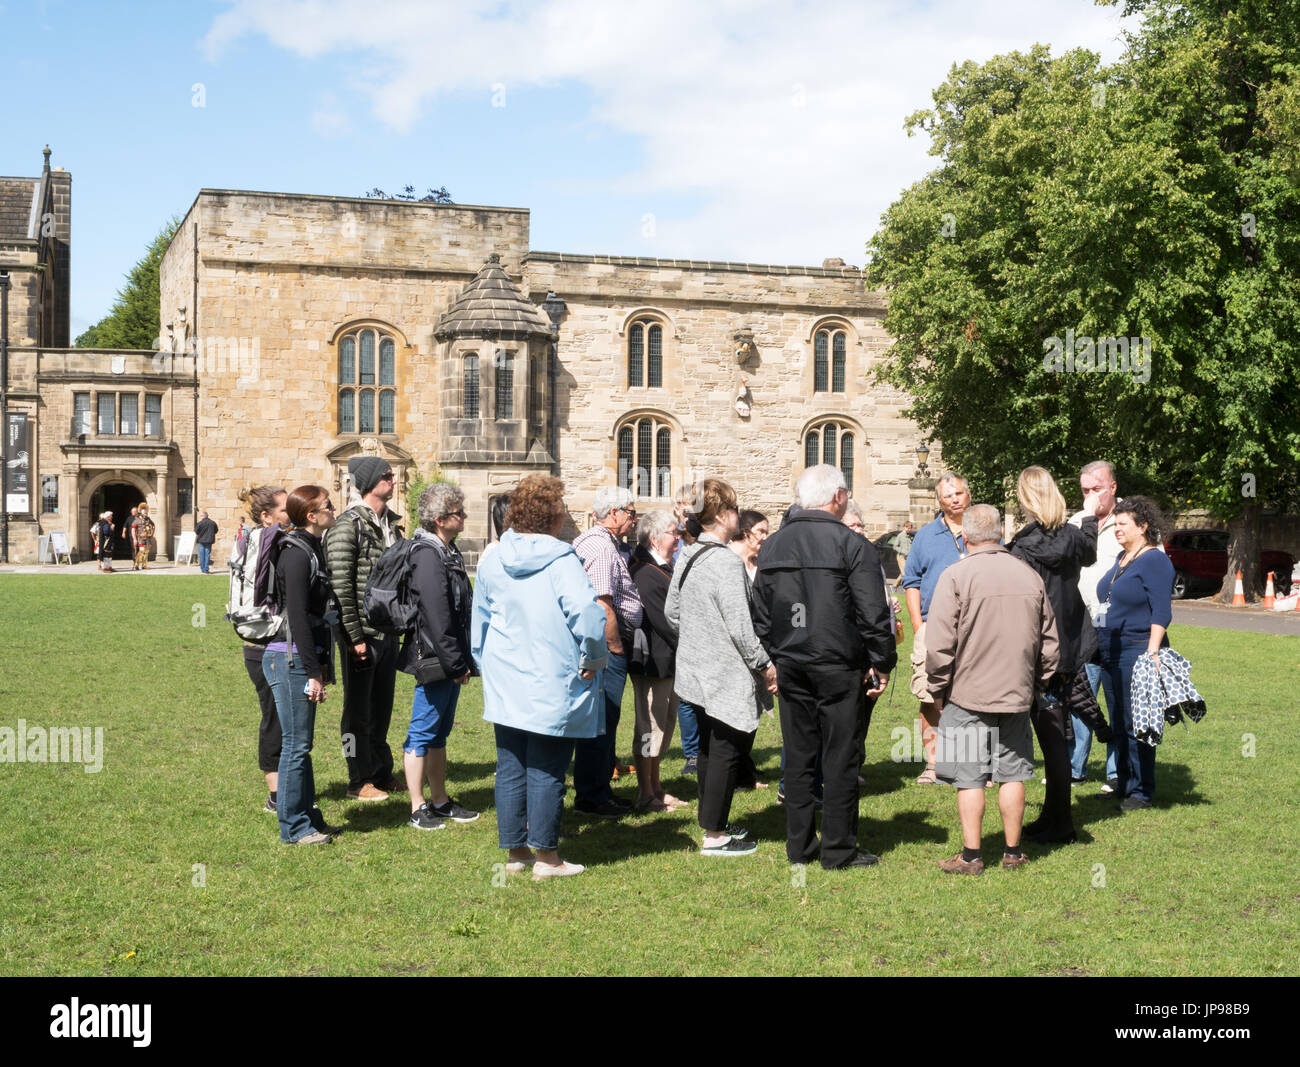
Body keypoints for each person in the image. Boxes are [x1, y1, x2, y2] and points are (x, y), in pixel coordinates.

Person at [752, 466, 896, 869]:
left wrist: (774, 656)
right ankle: (837, 848)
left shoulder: (774, 546)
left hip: (795, 663)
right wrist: (882, 661)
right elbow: (873, 613)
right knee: (840, 756)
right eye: (846, 495)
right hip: (837, 664)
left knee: (799, 756)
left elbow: (761, 613)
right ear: (837, 497)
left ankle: (800, 846)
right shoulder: (852, 545)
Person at [472, 475, 608, 878]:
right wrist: (594, 657)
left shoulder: (492, 556)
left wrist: (485, 661)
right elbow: (587, 614)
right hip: (551, 674)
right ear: (554, 517)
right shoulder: (563, 559)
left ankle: (517, 854)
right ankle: (547, 858)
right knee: (547, 765)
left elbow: (480, 617)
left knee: (511, 763)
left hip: (506, 673)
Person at [925, 504, 1060, 874]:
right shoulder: (1029, 575)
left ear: (964, 537)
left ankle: (971, 855)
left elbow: (938, 644)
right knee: (1012, 772)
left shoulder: (955, 576)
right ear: (1000, 533)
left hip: (967, 693)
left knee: (969, 776)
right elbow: (1049, 642)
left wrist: (937, 688)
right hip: (1016, 693)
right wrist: (1039, 682)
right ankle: (1013, 852)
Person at [666, 478, 776, 856]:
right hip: (724, 672)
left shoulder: (689, 553)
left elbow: (672, 613)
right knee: (726, 750)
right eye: (734, 509)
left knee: (711, 751)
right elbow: (741, 628)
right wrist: (765, 665)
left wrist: (700, 637)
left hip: (695, 670)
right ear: (724, 515)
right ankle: (714, 836)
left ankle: (713, 823)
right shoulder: (726, 561)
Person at [1006, 467, 1098, 843]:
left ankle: (1061, 822)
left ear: (1025, 500)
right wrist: (1090, 515)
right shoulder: (1074, 537)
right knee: (1055, 733)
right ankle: (1055, 815)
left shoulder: (1022, 548)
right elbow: (1090, 553)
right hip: (1070, 643)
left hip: (1042, 645)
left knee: (1052, 733)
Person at [398, 483, 480, 830]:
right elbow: (436, 614)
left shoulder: (447, 550)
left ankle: (440, 800)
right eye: (458, 513)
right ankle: (418, 807)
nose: (464, 517)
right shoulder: (427, 554)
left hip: (450, 657)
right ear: (438, 519)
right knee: (422, 731)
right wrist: (455, 662)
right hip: (433, 657)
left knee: (439, 733)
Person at [264, 485, 342, 845]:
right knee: (296, 744)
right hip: (287, 658)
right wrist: (312, 672)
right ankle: (293, 828)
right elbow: (296, 616)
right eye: (328, 505)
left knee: (302, 744)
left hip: (299, 658)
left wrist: (320, 667)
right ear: (311, 516)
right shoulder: (296, 555)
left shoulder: (312, 548)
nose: (333, 508)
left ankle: (309, 817)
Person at [324, 456, 404, 802]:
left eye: (392, 473)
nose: (393, 479)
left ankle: (380, 771)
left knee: (381, 707)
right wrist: (353, 637)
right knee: (356, 711)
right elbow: (340, 587)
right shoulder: (347, 526)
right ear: (370, 481)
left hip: (387, 632)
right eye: (386, 475)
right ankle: (358, 779)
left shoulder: (391, 525)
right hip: (362, 636)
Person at [1095, 495, 1174, 812]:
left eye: (1123, 524)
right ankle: (1125, 784)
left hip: (1138, 649)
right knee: (1118, 721)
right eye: (1115, 524)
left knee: (1137, 722)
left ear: (1143, 526)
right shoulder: (1121, 558)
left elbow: (1162, 611)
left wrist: (1152, 652)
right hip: (1110, 649)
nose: (1117, 529)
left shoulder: (1154, 560)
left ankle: (1141, 792)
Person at [571, 486, 643, 817]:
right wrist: (614, 648)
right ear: (613, 513)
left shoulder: (597, 543)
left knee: (603, 720)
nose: (634, 518)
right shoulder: (601, 548)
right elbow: (603, 604)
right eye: (630, 512)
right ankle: (592, 796)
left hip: (602, 647)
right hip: (605, 648)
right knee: (601, 720)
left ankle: (600, 789)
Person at [901, 473, 972, 784]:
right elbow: (912, 581)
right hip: (934, 626)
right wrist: (919, 625)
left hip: (975, 628)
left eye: (958, 493)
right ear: (938, 501)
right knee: (930, 695)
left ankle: (971, 765)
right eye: (947, 495)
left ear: (968, 494)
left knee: (974, 696)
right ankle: (933, 764)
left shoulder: (982, 529)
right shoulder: (925, 535)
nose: (954, 499)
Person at [627, 510, 688, 813]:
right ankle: (645, 792)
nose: (678, 538)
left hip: (669, 660)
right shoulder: (645, 572)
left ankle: (657, 787)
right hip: (653, 661)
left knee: (664, 725)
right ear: (654, 537)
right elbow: (665, 620)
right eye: (673, 533)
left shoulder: (662, 567)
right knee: (650, 727)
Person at [1071, 460, 1123, 792]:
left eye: (1097, 489)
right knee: (1080, 698)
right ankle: (1074, 768)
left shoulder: (1131, 521)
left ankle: (1116, 773)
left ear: (1113, 487)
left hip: (1118, 624)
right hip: (1081, 624)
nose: (1091, 496)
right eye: (1085, 490)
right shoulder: (1076, 522)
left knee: (1118, 698)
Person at [237, 484, 289, 813]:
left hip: (257, 642)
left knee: (279, 717)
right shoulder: (275, 543)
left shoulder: (256, 540)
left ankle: (285, 788)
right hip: (268, 645)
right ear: (267, 516)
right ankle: (275, 794)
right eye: (286, 509)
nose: (292, 513)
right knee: (275, 718)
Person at [671, 491, 702, 775]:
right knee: (686, 696)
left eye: (692, 511)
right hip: (684, 630)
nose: (687, 516)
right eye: (682, 510)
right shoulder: (673, 547)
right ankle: (692, 753)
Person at [194, 509, 219, 573]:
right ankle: (206, 569)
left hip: (201, 541)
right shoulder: (212, 523)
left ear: (203, 516)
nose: (200, 517)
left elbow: (196, 531)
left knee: (202, 555)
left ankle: (203, 569)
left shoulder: (200, 523)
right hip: (209, 541)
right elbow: (216, 530)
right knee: (207, 555)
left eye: (201, 516)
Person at [132, 503, 155, 571]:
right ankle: (136, 564)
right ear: (141, 513)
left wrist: (152, 533)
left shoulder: (148, 520)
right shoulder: (137, 520)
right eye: (144, 513)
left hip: (147, 538)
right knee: (141, 551)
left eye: (146, 513)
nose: (146, 514)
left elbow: (153, 526)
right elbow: (133, 529)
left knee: (146, 552)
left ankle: (144, 565)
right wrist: (134, 539)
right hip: (141, 538)